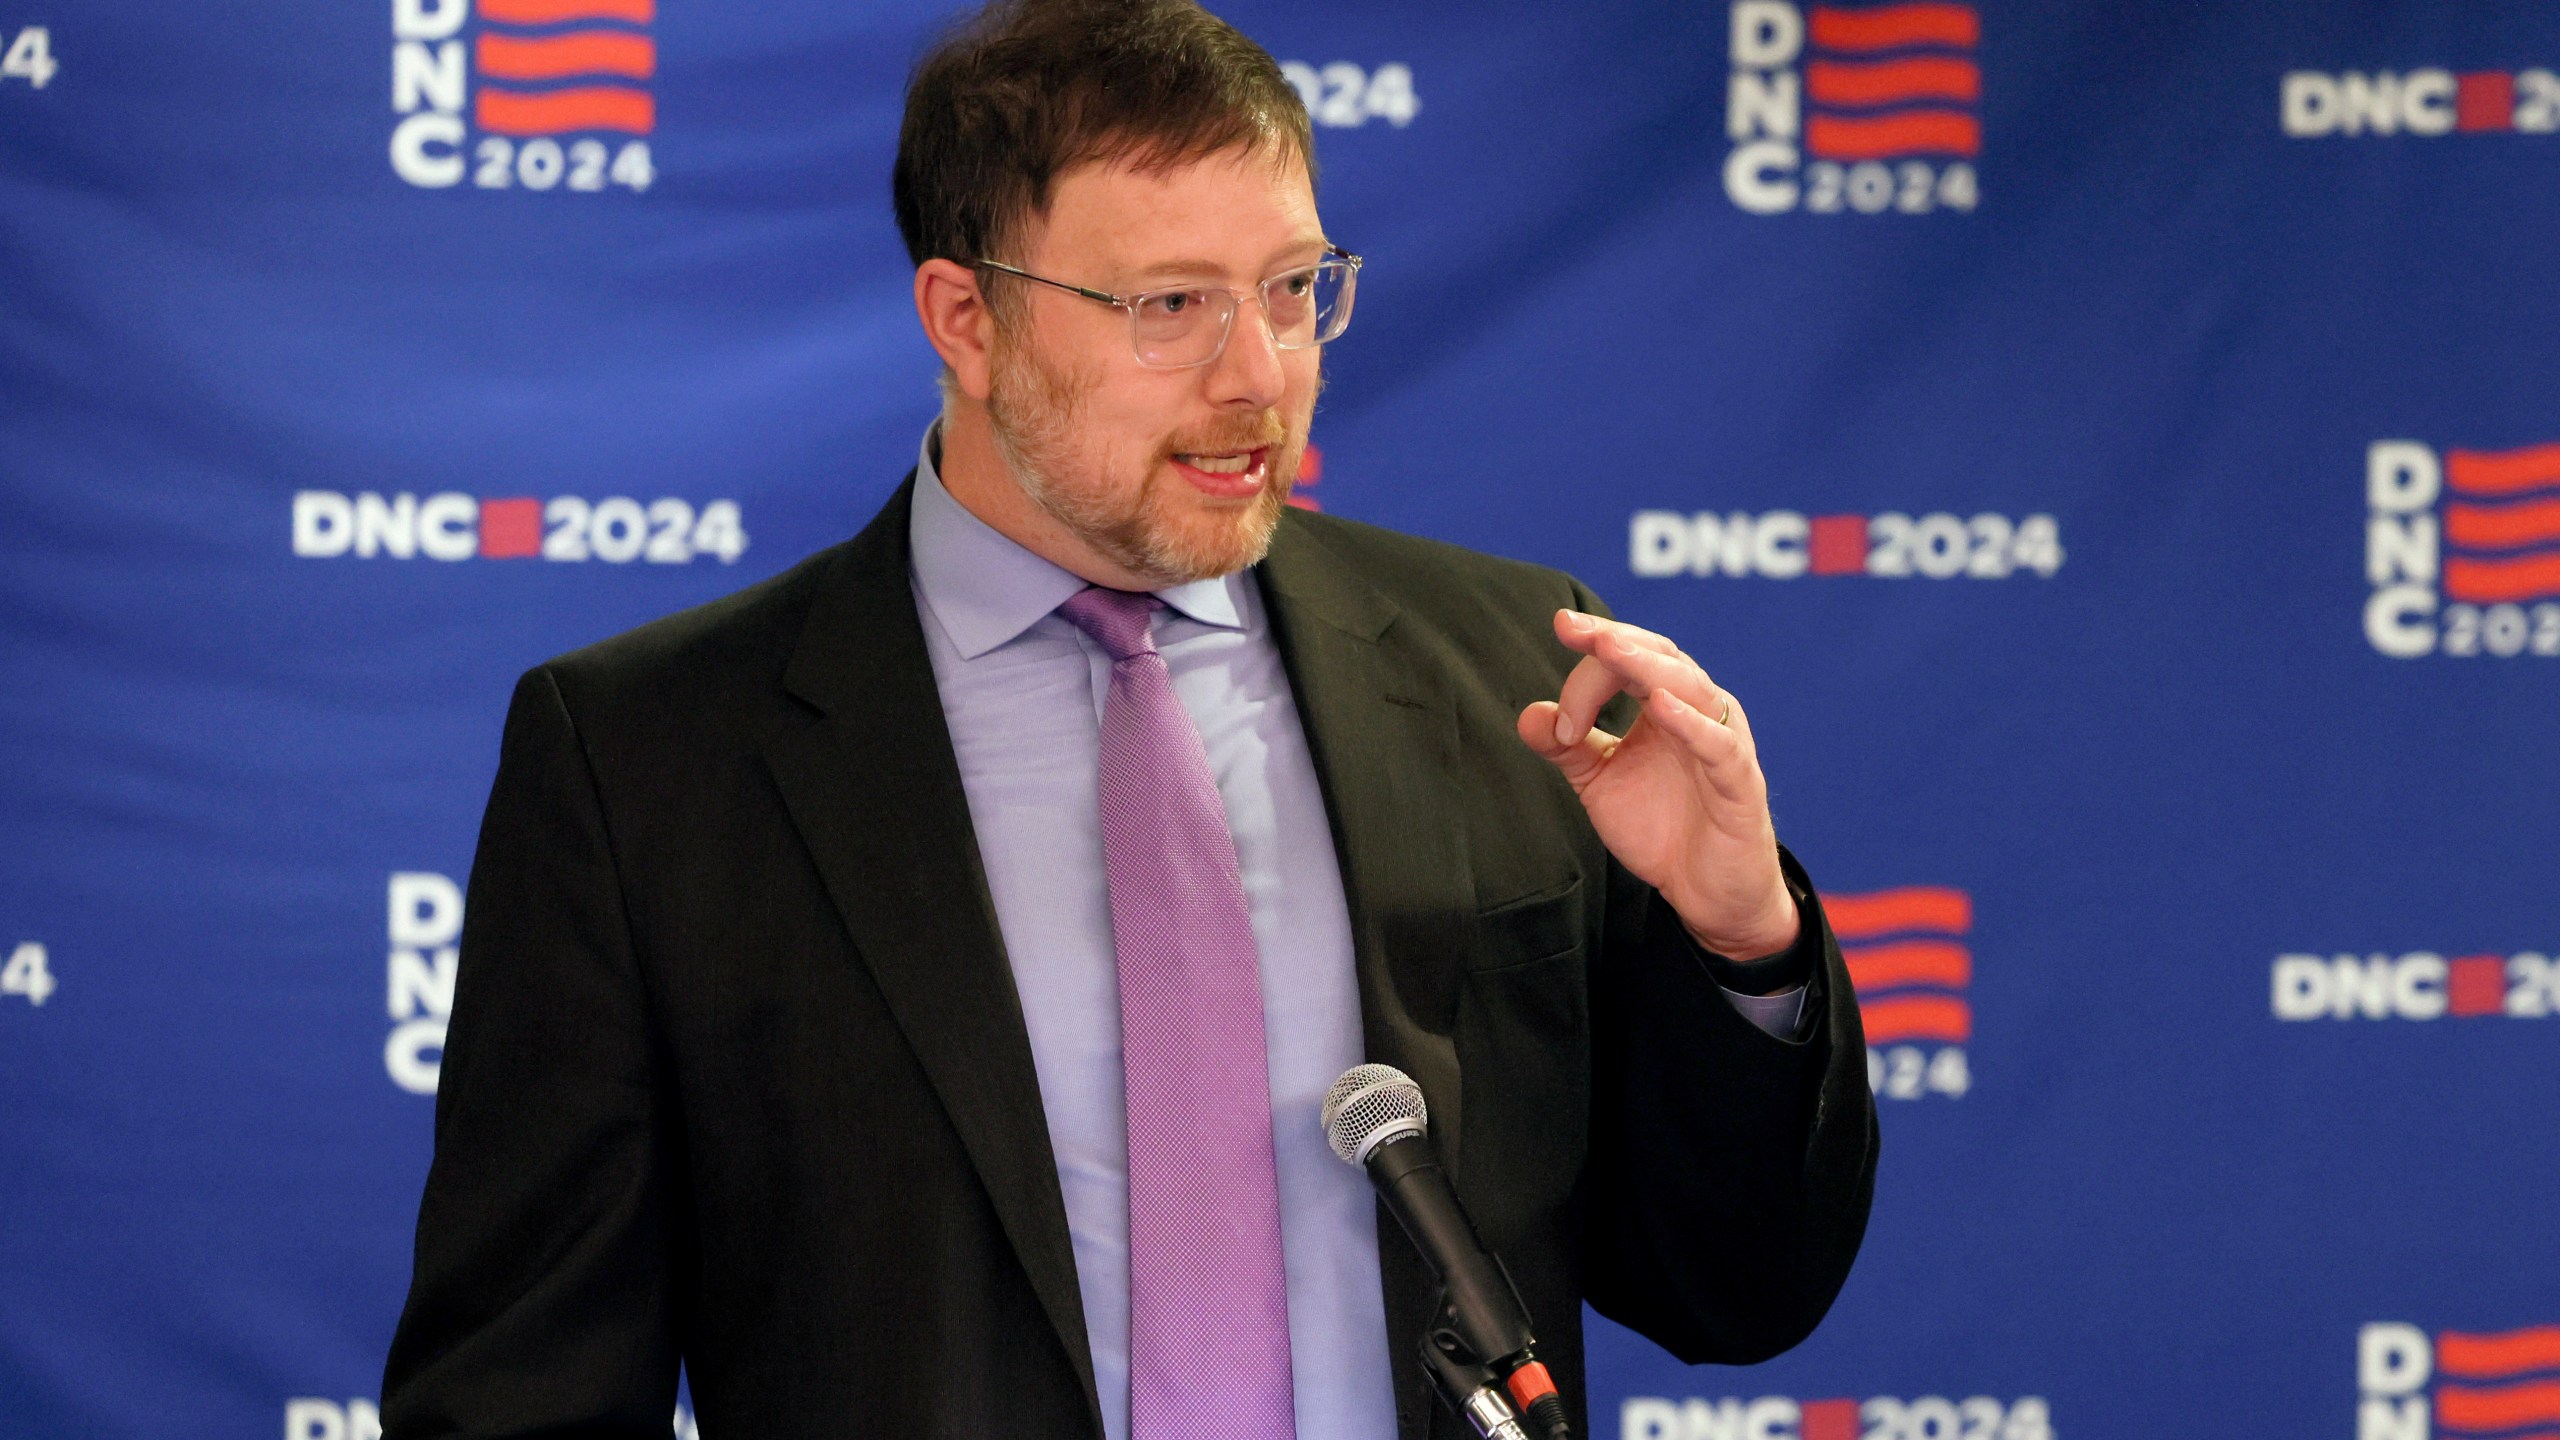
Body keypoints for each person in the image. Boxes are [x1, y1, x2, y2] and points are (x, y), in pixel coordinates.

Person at [380, 1, 1877, 1436]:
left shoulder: (1510, 675)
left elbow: (1733, 1293)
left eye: (1294, 289)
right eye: (1170, 305)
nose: (1258, 377)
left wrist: (1740, 941)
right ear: (966, 320)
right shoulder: (649, 762)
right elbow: (523, 1395)